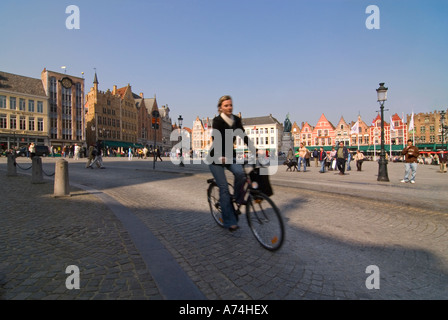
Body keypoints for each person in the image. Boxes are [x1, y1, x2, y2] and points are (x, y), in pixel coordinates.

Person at [207, 95, 253, 232]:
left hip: (230, 155)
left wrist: (256, 150)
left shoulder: (236, 120)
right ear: (220, 107)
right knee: (224, 189)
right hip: (216, 157)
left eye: (231, 105)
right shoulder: (217, 121)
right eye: (226, 105)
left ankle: (238, 198)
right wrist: (220, 155)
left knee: (240, 173)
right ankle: (229, 221)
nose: (229, 107)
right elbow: (216, 137)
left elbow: (243, 136)